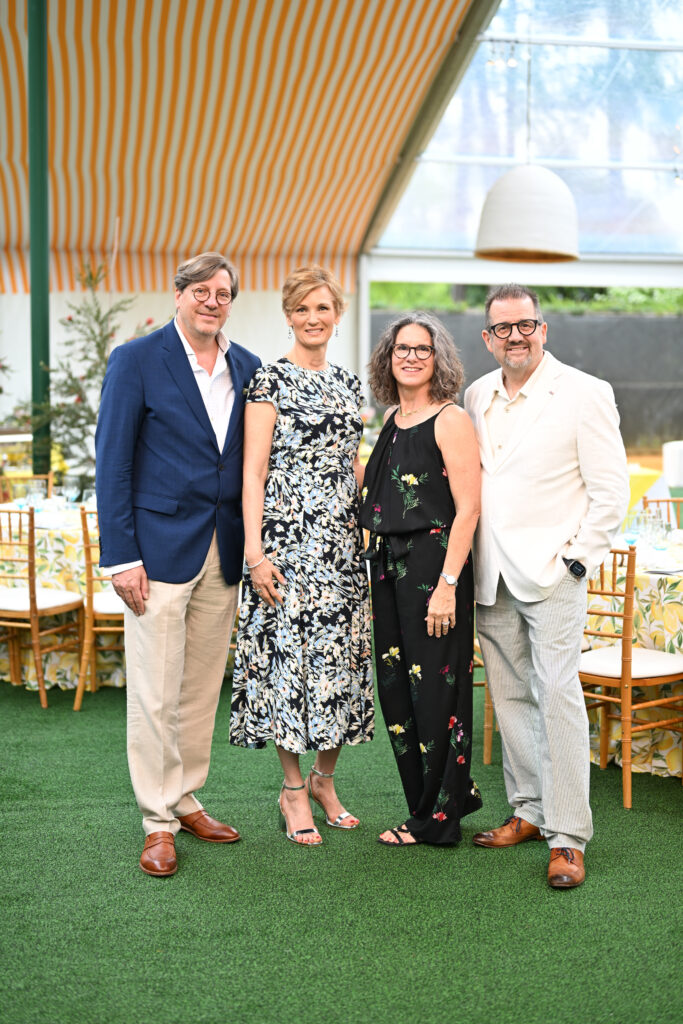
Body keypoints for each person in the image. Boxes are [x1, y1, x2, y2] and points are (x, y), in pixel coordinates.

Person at [96, 251, 260, 877]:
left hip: (221, 550)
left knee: (197, 690)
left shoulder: (246, 367)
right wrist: (121, 556)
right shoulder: (136, 360)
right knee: (155, 690)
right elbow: (112, 462)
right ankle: (157, 821)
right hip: (157, 553)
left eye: (223, 293)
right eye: (201, 290)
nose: (212, 301)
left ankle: (186, 796)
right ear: (179, 294)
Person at [464, 283, 629, 889]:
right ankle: (528, 811)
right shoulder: (477, 393)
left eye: (525, 325)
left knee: (558, 696)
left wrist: (577, 562)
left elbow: (611, 493)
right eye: (503, 327)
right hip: (493, 575)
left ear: (543, 328)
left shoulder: (585, 392)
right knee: (509, 698)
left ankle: (567, 837)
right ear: (487, 337)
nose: (515, 336)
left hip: (556, 574)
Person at [230, 265, 373, 846]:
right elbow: (253, 471)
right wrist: (255, 554)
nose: (313, 319)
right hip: (285, 546)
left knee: (338, 663)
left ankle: (325, 780)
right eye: (302, 309)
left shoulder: (348, 384)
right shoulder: (269, 380)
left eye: (323, 309)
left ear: (337, 316)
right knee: (291, 665)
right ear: (288, 316)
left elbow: (352, 463)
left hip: (341, 548)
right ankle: (292, 792)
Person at [359, 312, 483, 846]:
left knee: (435, 694)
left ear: (439, 360)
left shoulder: (449, 419)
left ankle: (438, 820)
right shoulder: (392, 418)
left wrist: (448, 585)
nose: (410, 356)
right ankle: (440, 798)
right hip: (388, 568)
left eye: (422, 349)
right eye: (402, 348)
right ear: (389, 357)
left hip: (435, 568)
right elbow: (378, 487)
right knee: (398, 694)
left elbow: (469, 508)